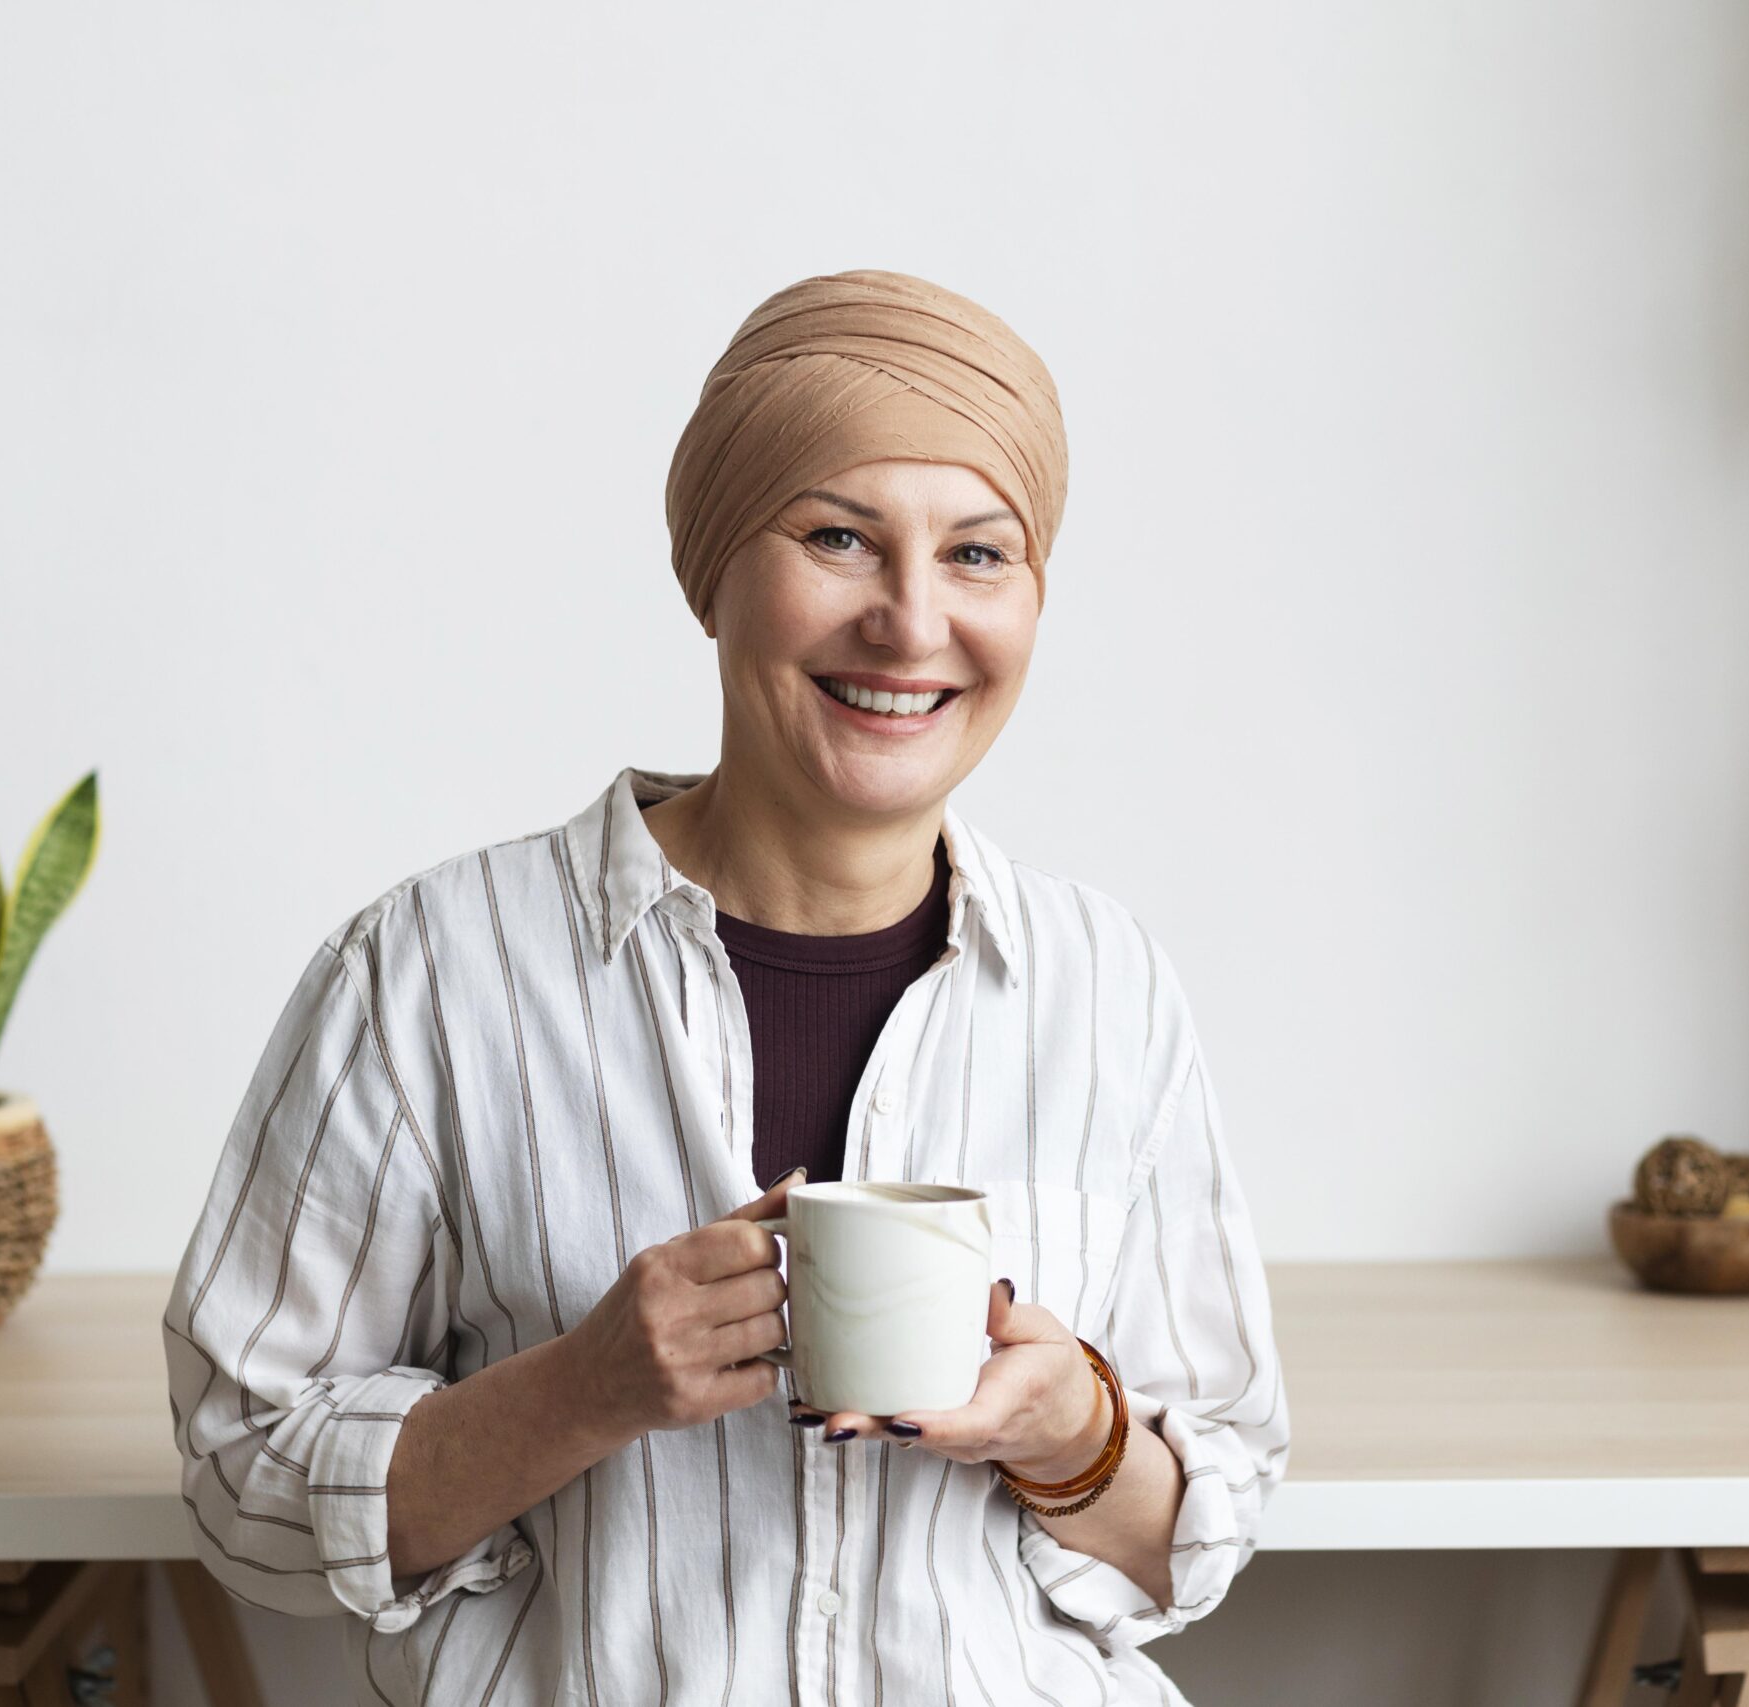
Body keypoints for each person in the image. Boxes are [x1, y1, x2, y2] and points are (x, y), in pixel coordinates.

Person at [162, 267, 1289, 1706]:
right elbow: (240, 1482)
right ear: (712, 573)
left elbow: (1209, 1515)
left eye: (978, 556)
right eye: (838, 537)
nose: (910, 622)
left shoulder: (1106, 988)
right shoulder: (429, 973)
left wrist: (1074, 1431)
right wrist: (579, 1392)